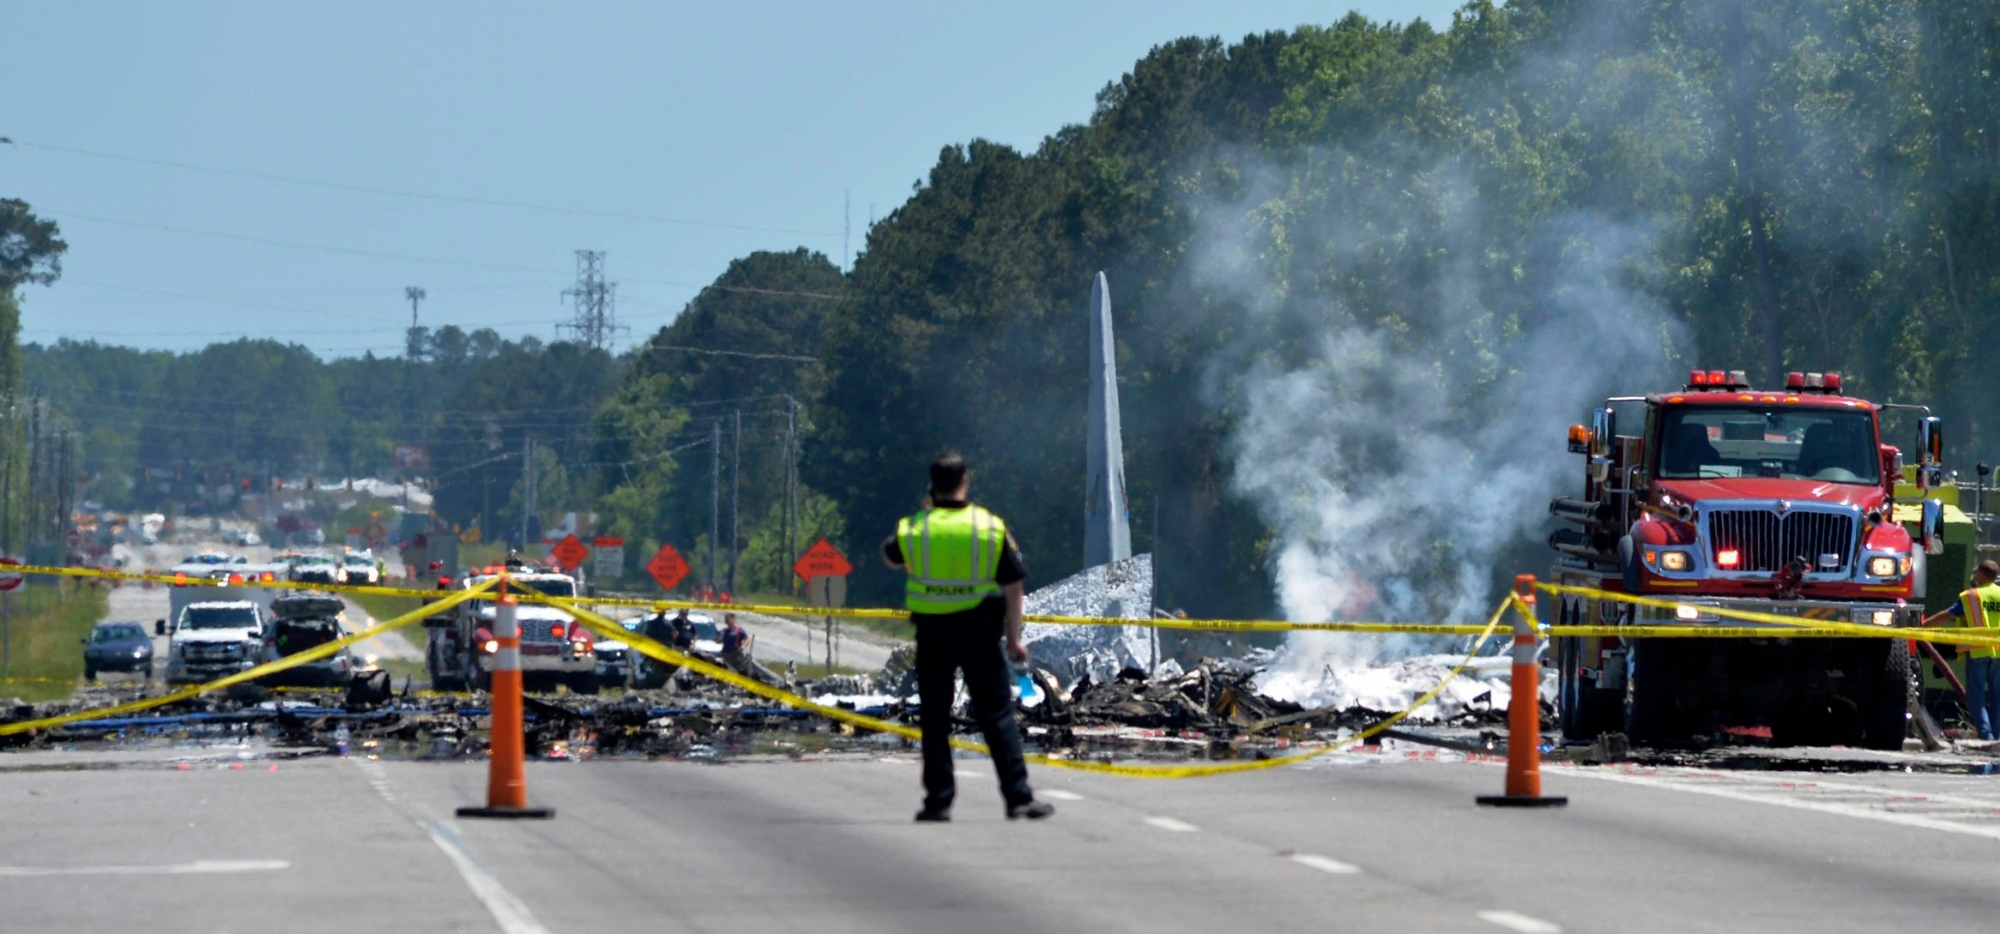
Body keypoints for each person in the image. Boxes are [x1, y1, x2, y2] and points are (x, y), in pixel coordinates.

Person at [883, 452, 1052, 822]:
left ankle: (938, 801)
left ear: (932, 485)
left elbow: (891, 557)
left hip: (933, 633)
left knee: (935, 718)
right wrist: (1013, 638)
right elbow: (1013, 585)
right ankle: (1017, 796)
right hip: (979, 631)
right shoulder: (988, 526)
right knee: (997, 716)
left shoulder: (916, 527)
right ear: (965, 482)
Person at [1924, 559, 2000, 740]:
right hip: (1999, 654)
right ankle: (1997, 736)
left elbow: (1947, 615)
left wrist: (1923, 626)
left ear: (1981, 574)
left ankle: (1986, 735)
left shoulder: (1970, 596)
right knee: (1998, 697)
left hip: (1978, 652)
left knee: (1977, 697)